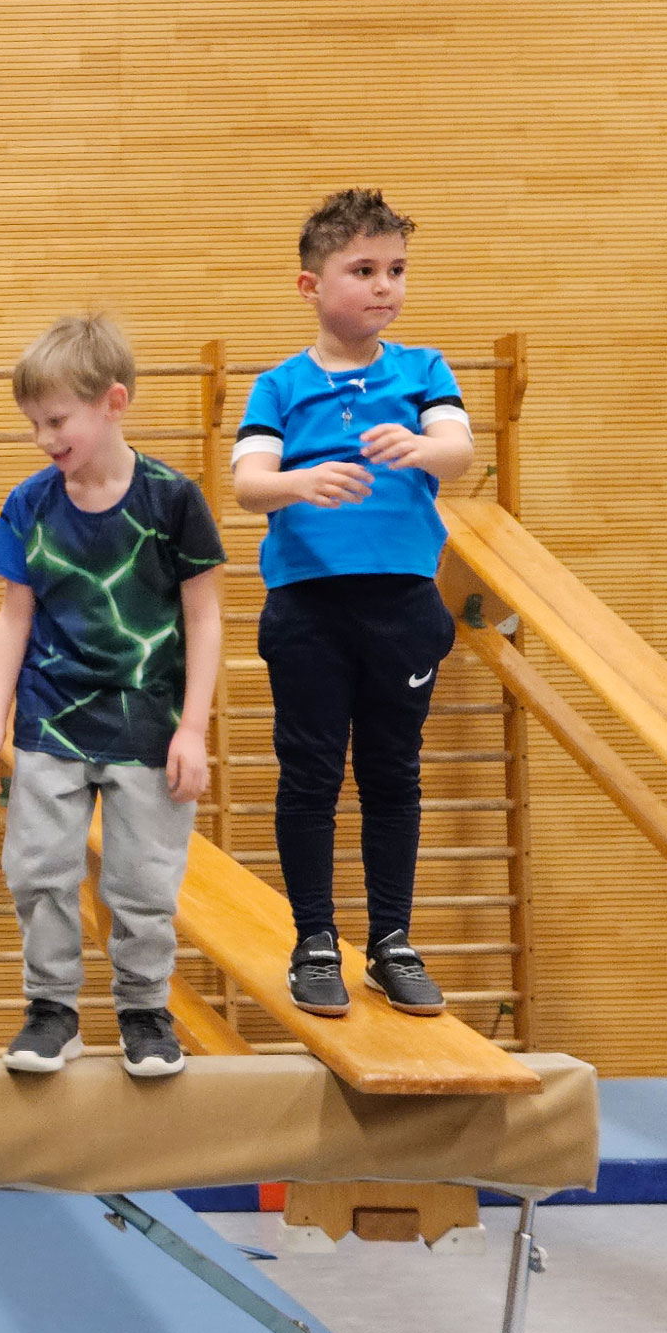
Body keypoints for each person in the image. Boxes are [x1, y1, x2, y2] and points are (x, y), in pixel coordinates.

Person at [231, 188, 474, 1018]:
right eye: (363, 270)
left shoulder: (422, 370)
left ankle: (392, 942)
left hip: (401, 605)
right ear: (311, 286)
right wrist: (298, 482)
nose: (384, 286)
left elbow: (459, 450)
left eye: (396, 270)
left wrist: (422, 445)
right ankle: (314, 940)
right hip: (308, 610)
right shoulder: (280, 386)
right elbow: (248, 483)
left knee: (392, 773)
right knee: (310, 774)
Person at [0, 313, 225, 1078]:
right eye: (33, 424)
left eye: (56, 421)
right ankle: (51, 1009)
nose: (43, 438)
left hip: (149, 724)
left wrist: (193, 730)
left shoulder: (172, 501)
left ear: (113, 402)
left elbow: (205, 618)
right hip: (52, 719)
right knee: (37, 869)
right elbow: (14, 616)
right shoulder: (31, 503)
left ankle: (145, 1011)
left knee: (142, 882)